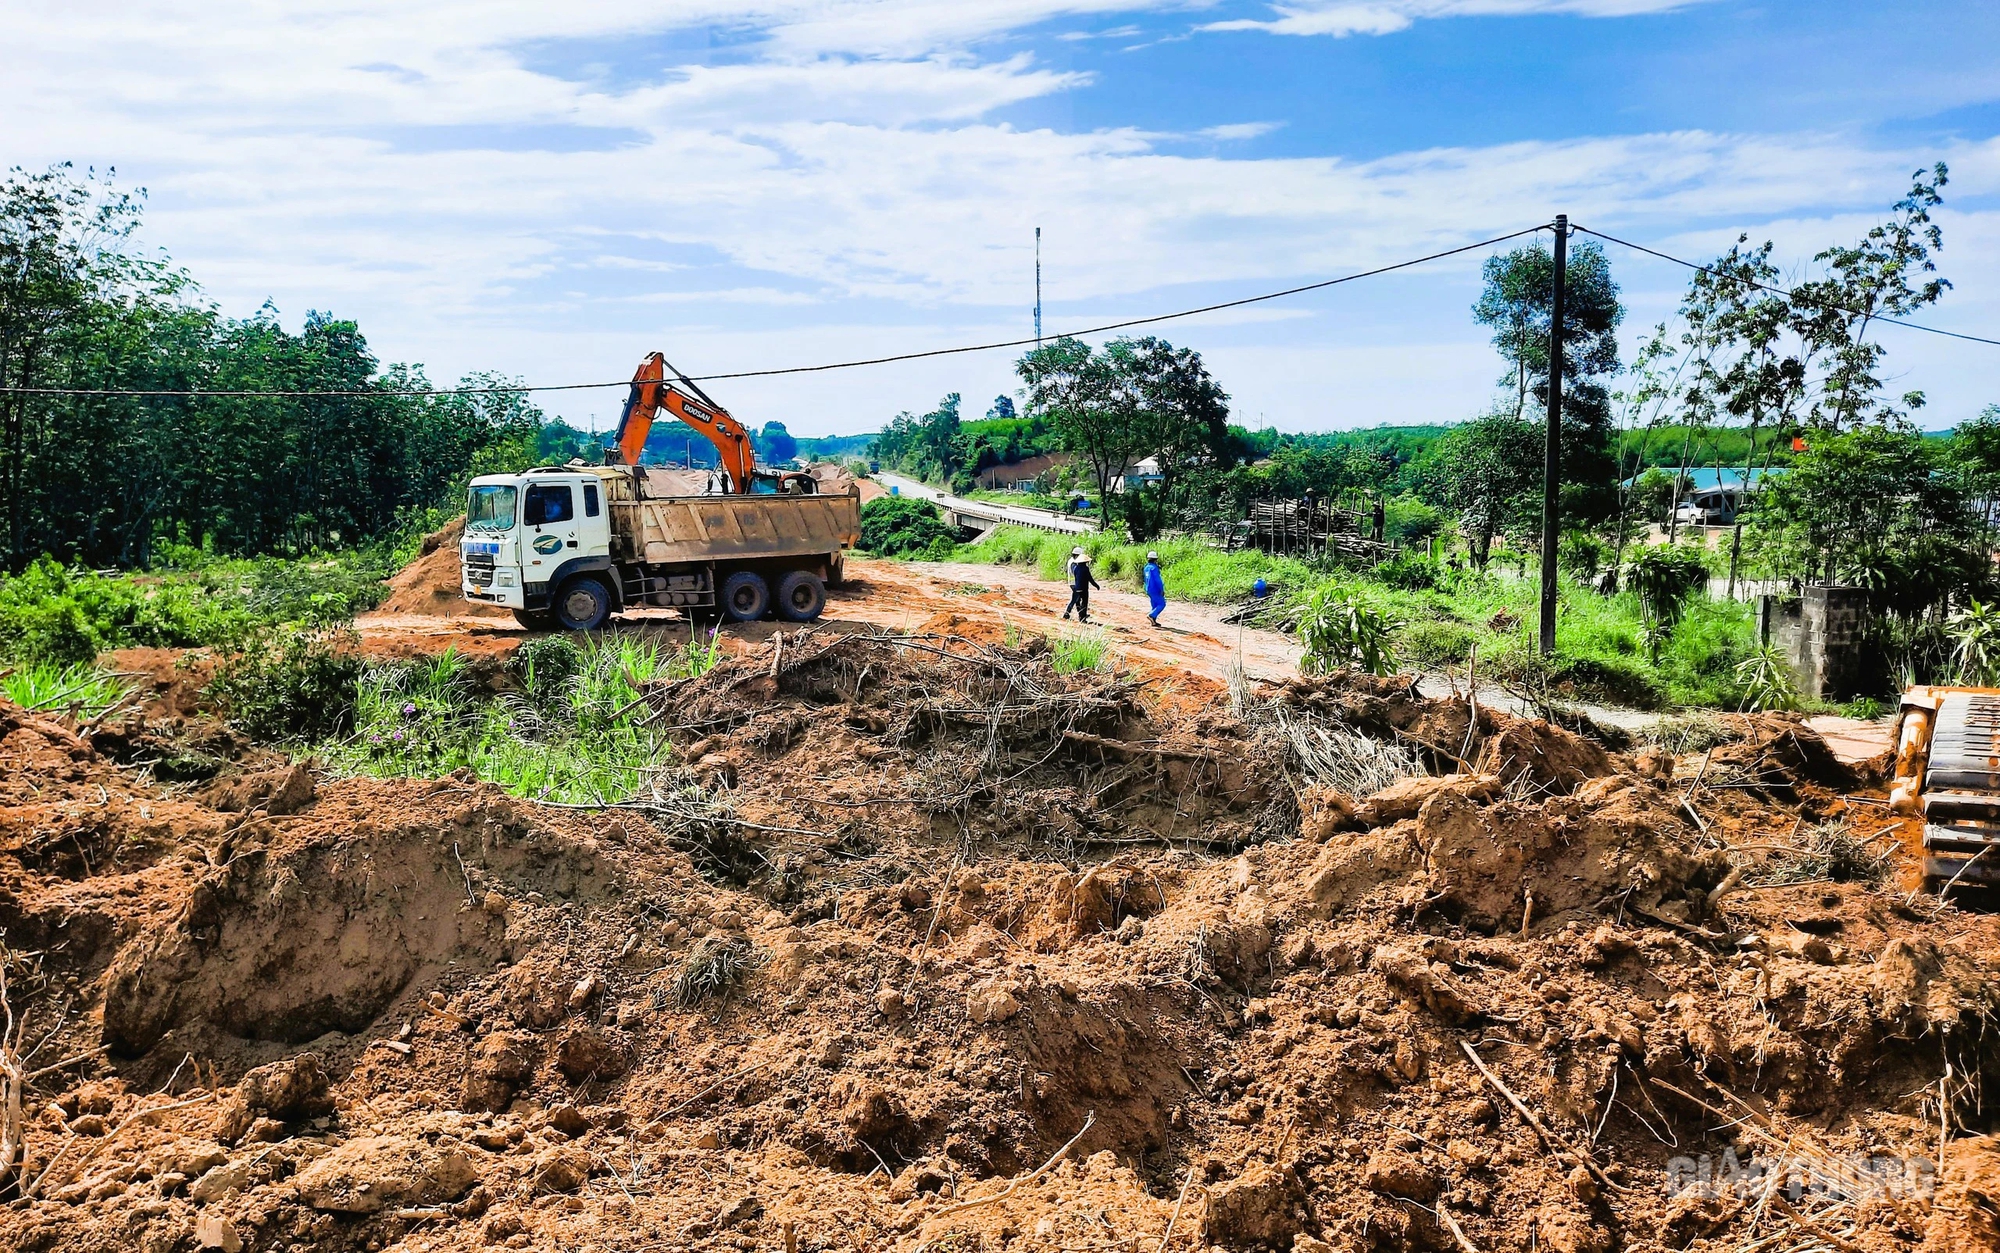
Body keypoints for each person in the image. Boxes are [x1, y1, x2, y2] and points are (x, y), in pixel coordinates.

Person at [1062, 547, 1099, 622]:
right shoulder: (1074, 563)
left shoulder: (1072, 562)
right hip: (1075, 584)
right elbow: (1088, 578)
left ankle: (1080, 615)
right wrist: (1096, 585)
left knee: (1077, 600)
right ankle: (1075, 614)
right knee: (1076, 600)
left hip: (1075, 584)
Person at [1144, 551, 1166, 625]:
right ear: (1155, 559)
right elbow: (1158, 580)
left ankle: (1153, 621)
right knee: (1162, 604)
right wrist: (1161, 589)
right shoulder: (1154, 568)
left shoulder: (1146, 568)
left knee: (1154, 605)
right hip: (1155, 589)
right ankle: (1151, 615)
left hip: (1148, 589)